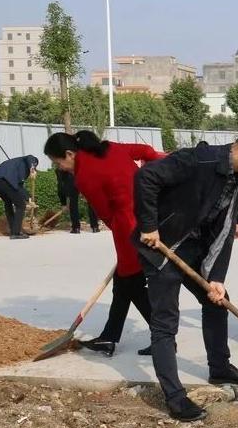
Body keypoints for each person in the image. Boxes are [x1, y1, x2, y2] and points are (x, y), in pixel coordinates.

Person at [134, 126, 238, 422]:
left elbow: (224, 230)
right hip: (163, 246)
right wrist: (149, 225)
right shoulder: (197, 160)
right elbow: (145, 177)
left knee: (217, 300)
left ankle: (219, 367)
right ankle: (175, 398)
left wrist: (217, 278)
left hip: (193, 248)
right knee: (165, 324)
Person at [44, 130, 164, 357]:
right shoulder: (110, 147)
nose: (59, 168)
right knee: (123, 282)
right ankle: (109, 337)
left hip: (128, 227)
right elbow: (146, 151)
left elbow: (105, 213)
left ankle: (164, 337)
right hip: (152, 215)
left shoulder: (84, 176)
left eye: (57, 162)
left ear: (70, 154)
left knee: (132, 283)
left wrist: (122, 228)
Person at [0, 155, 37, 239]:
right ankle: (16, 233)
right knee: (21, 205)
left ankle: (13, 230)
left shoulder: (16, 165)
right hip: (6, 181)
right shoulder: (27, 162)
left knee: (8, 203)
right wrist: (32, 168)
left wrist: (29, 198)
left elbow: (19, 187)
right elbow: (30, 157)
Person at [55, 167, 100, 234]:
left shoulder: (59, 170)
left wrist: (63, 203)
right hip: (84, 179)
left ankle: (76, 228)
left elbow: (61, 188)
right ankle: (95, 227)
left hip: (72, 182)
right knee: (90, 202)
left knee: (73, 204)